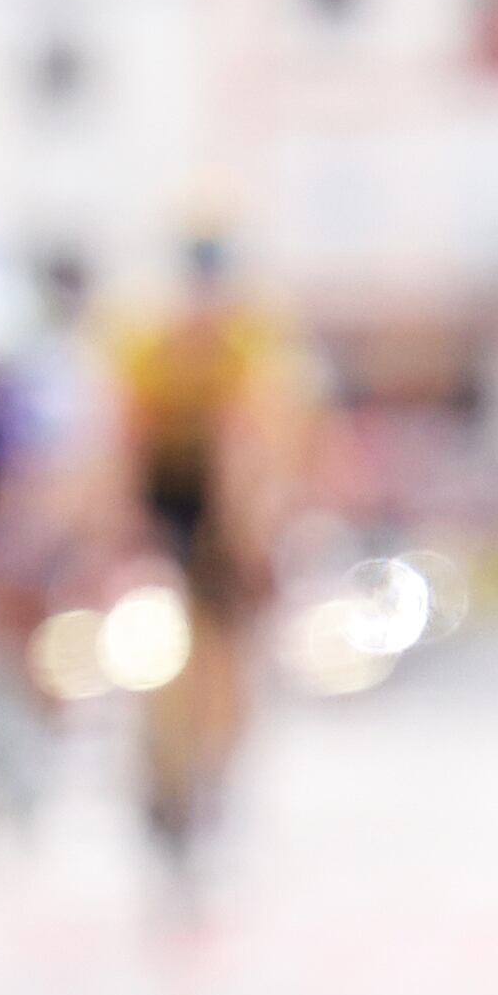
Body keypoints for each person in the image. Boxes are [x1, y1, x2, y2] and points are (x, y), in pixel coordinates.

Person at [102, 227, 310, 900]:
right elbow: (119, 446)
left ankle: (213, 762)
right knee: (156, 627)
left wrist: (255, 540)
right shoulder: (146, 334)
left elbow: (261, 451)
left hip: (221, 496)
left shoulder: (254, 338)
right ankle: (161, 756)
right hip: (166, 489)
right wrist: (118, 531)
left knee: (226, 643)